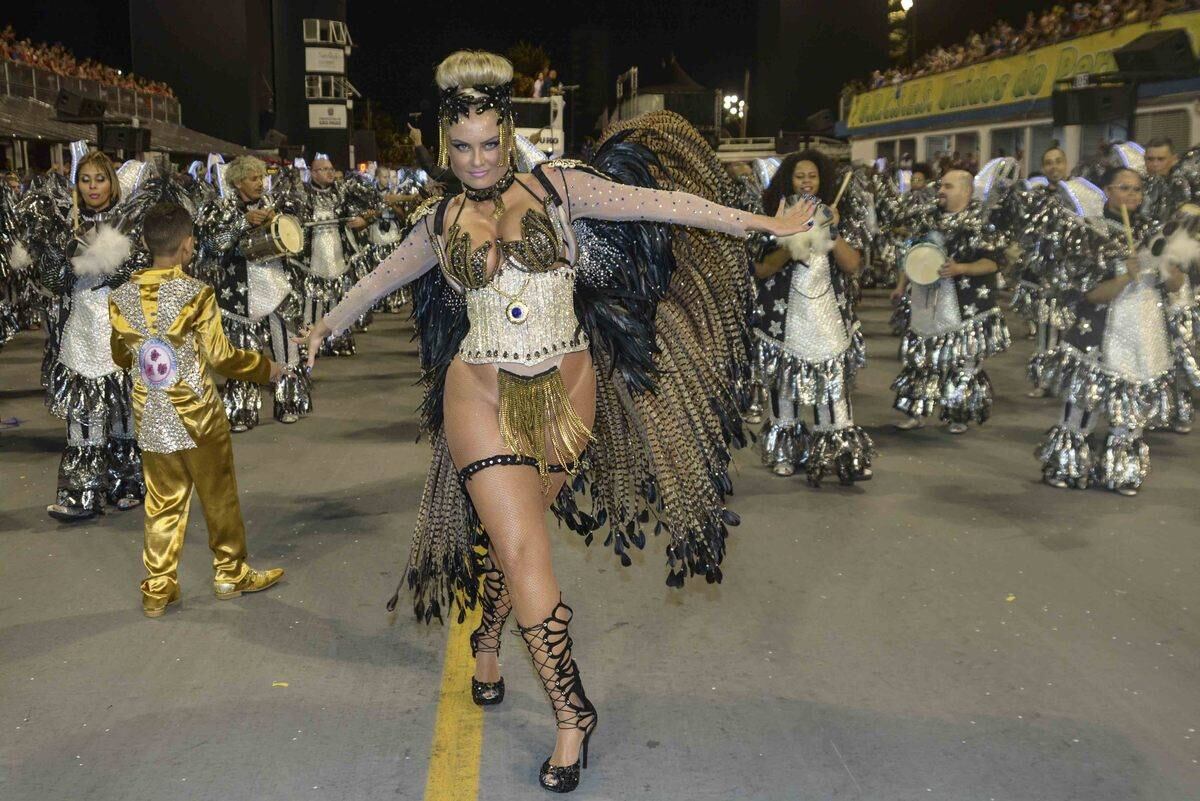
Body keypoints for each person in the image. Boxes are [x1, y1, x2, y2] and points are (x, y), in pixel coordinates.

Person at [298, 50, 815, 794]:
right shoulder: (438, 221)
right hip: (478, 392)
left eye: (489, 143)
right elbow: (374, 282)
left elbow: (668, 204)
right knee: (522, 545)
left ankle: (487, 637)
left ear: (508, 138)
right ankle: (573, 712)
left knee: (521, 538)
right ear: (446, 149)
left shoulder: (560, 187)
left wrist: (762, 220)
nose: (477, 160)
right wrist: (322, 327)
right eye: (462, 148)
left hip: (566, 392)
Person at [108, 202, 285, 617]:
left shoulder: (119, 298)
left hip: (151, 416)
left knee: (162, 501)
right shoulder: (196, 293)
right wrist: (266, 368)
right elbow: (221, 358)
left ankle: (158, 585)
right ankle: (230, 572)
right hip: (198, 416)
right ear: (188, 246)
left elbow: (121, 356)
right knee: (218, 495)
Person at [1032, 167, 1190, 495]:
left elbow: (1177, 284)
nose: (1132, 195)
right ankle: (1068, 465)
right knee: (1083, 404)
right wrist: (1125, 277)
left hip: (1144, 337)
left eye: (1137, 189)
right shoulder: (1090, 231)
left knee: (1131, 409)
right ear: (1107, 190)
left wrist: (1167, 269)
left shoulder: (1156, 232)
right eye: (1124, 188)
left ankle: (1122, 471)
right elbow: (1088, 294)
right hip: (1099, 334)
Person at [18, 146, 148, 521]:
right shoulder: (65, 224)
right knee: (83, 412)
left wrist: (109, 267)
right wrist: (52, 257)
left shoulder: (129, 222)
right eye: (85, 180)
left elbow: (138, 269)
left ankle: (127, 484)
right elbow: (54, 283)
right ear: (77, 184)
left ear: (112, 183)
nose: (93, 187)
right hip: (80, 328)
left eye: (100, 179)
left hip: (120, 325)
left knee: (124, 410)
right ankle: (82, 494)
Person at [751, 151, 874, 485]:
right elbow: (761, 269)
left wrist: (831, 231)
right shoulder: (772, 216)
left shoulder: (839, 214)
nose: (806, 182)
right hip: (782, 319)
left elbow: (852, 265)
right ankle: (785, 453)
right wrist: (792, 242)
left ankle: (839, 455)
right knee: (783, 385)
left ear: (822, 181)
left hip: (828, 317)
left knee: (832, 385)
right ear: (788, 180)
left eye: (813, 176)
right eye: (799, 176)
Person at [195, 155, 310, 431]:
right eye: (253, 178)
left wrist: (278, 222)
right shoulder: (220, 208)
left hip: (277, 287)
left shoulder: (274, 205)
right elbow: (212, 245)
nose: (260, 183)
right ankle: (243, 410)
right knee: (244, 353)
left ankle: (288, 402)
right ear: (237, 182)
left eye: (261, 177)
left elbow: (295, 241)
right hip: (240, 293)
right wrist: (241, 222)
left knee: (286, 348)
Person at [891, 169, 1010, 433]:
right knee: (920, 360)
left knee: (963, 363)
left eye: (948, 186)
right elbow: (910, 254)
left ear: (966, 191)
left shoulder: (982, 222)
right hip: (926, 304)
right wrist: (901, 285)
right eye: (941, 186)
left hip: (967, 306)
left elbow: (992, 262)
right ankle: (916, 411)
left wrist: (961, 269)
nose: (941, 191)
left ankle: (959, 413)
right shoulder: (927, 219)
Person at [274, 154, 371, 356]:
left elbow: (370, 205)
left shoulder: (341, 192)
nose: (330, 172)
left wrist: (364, 220)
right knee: (311, 297)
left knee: (338, 295)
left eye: (331, 168)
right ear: (313, 172)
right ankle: (309, 341)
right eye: (324, 169)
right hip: (311, 257)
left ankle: (336, 339)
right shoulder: (302, 194)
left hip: (338, 254)